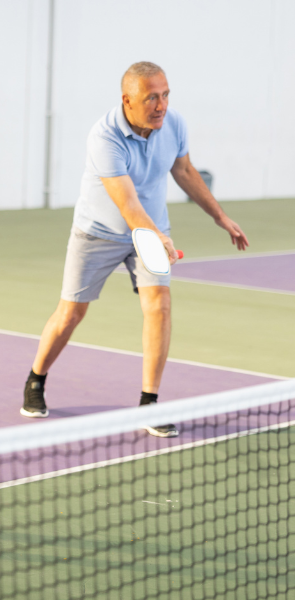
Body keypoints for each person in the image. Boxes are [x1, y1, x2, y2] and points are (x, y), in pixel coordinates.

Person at [21, 61, 249, 437]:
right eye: (151, 98)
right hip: (97, 233)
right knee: (71, 314)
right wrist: (157, 237)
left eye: (165, 95)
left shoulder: (173, 124)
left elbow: (185, 171)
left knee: (159, 304)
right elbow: (127, 204)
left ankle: (149, 403)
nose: (161, 105)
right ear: (127, 100)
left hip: (153, 232)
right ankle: (36, 379)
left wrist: (219, 217)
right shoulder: (104, 137)